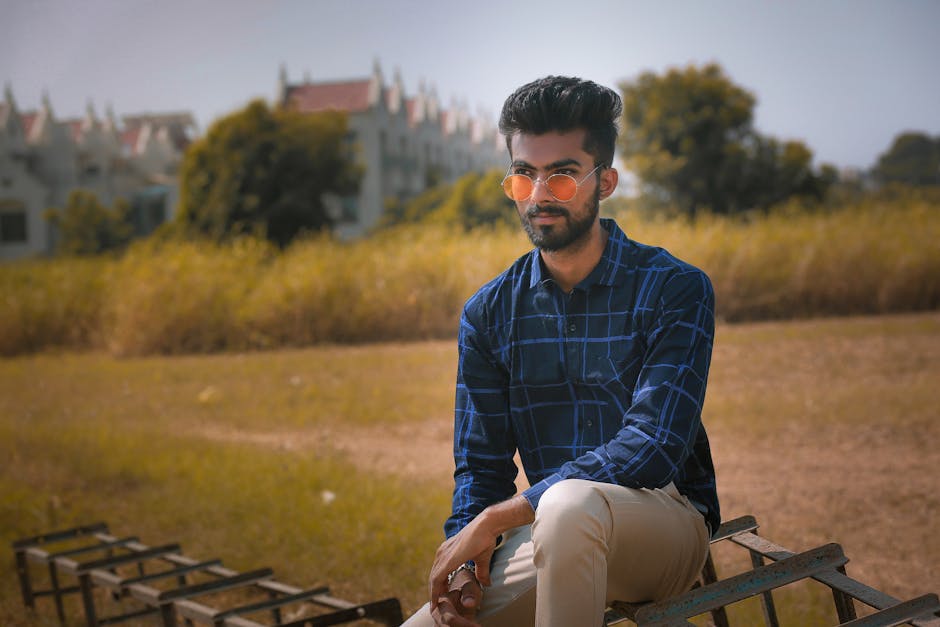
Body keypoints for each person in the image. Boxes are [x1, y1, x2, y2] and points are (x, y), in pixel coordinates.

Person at [403, 76, 719, 627]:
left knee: (569, 505)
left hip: (665, 520)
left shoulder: (674, 288)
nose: (541, 194)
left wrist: (499, 519)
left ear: (607, 181)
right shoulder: (488, 313)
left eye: (564, 174)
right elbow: (480, 465)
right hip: (549, 527)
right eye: (524, 175)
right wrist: (465, 561)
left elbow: (651, 446)